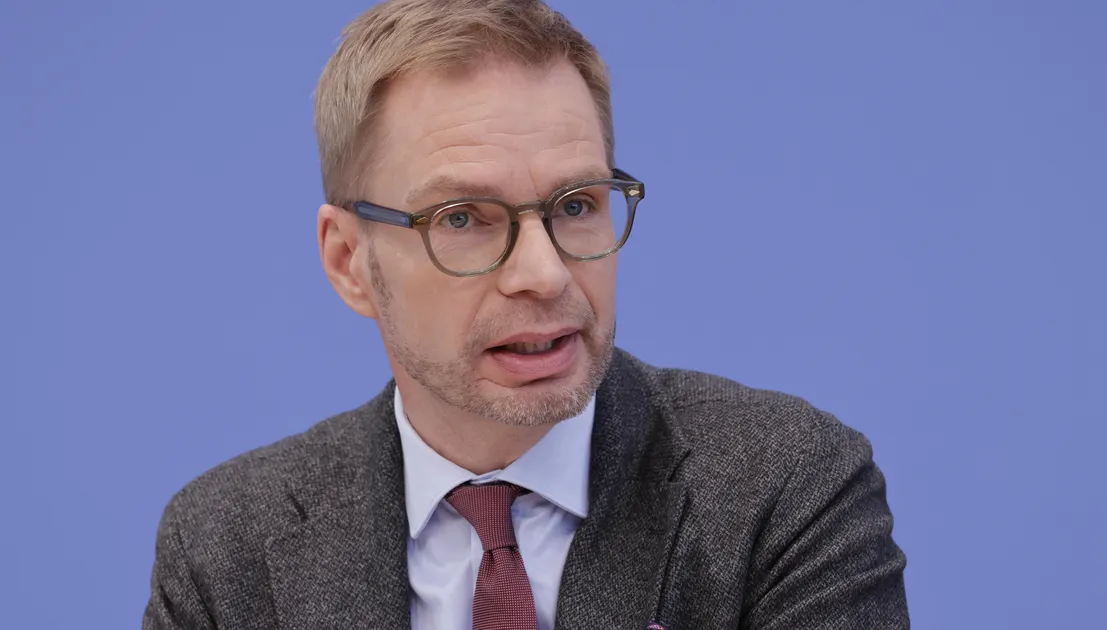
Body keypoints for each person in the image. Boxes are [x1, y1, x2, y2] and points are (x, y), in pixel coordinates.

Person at [143, 0, 909, 628]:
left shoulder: (784, 488)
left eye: (576, 205)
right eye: (462, 218)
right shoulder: (228, 549)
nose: (544, 274)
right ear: (349, 261)